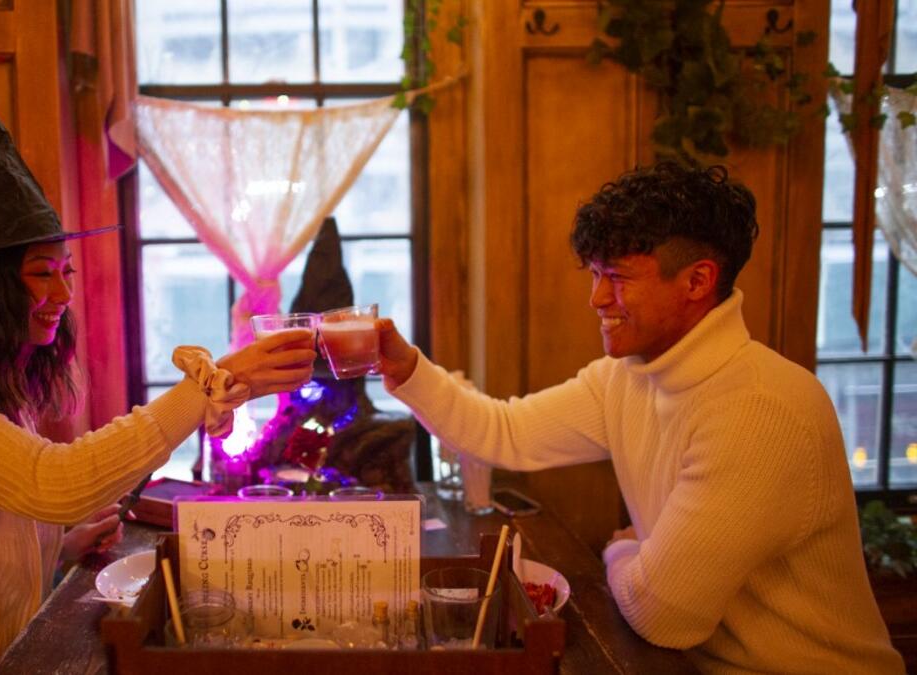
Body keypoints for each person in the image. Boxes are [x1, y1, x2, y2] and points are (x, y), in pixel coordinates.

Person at [0, 75, 315, 674]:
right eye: (41, 273)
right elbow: (55, 484)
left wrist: (61, 547)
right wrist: (206, 384)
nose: (63, 292)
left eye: (64, 271)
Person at [377, 162, 903, 673]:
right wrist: (409, 369)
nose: (597, 298)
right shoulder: (627, 376)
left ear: (698, 281)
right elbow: (504, 434)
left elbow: (662, 616)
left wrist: (623, 548)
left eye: (618, 277)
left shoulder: (761, 409)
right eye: (595, 274)